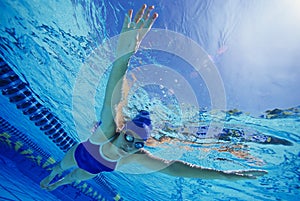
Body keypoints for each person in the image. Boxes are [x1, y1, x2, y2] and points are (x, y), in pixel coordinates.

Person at [40, 4, 267, 191]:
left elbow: (173, 167)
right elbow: (113, 98)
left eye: (138, 144)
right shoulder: (106, 131)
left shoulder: (132, 156)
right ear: (122, 130)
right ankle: (53, 174)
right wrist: (125, 56)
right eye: (129, 138)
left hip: (90, 169)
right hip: (78, 154)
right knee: (61, 166)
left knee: (74, 178)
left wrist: (225, 176)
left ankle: (56, 183)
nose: (130, 146)